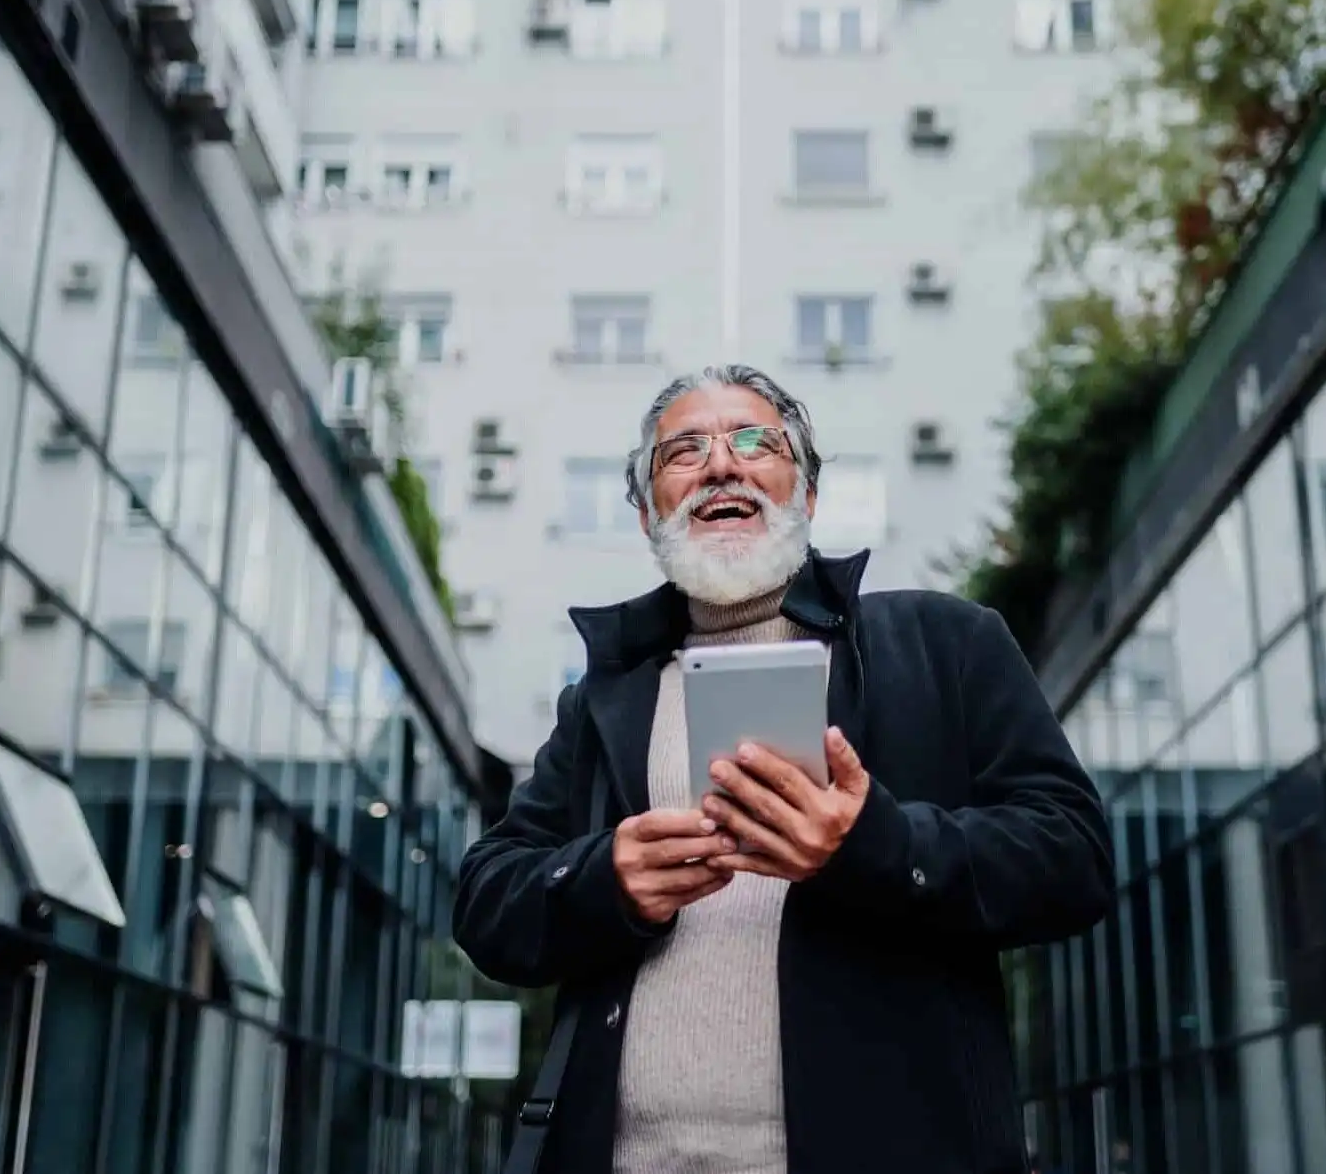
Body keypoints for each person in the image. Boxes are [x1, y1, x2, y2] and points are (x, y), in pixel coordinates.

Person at [454, 364, 1114, 1174]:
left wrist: (875, 843)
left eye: (756, 441)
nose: (721, 465)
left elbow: (1073, 857)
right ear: (645, 512)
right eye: (682, 452)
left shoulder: (946, 645)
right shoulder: (602, 699)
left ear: (805, 493)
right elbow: (488, 900)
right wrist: (605, 877)